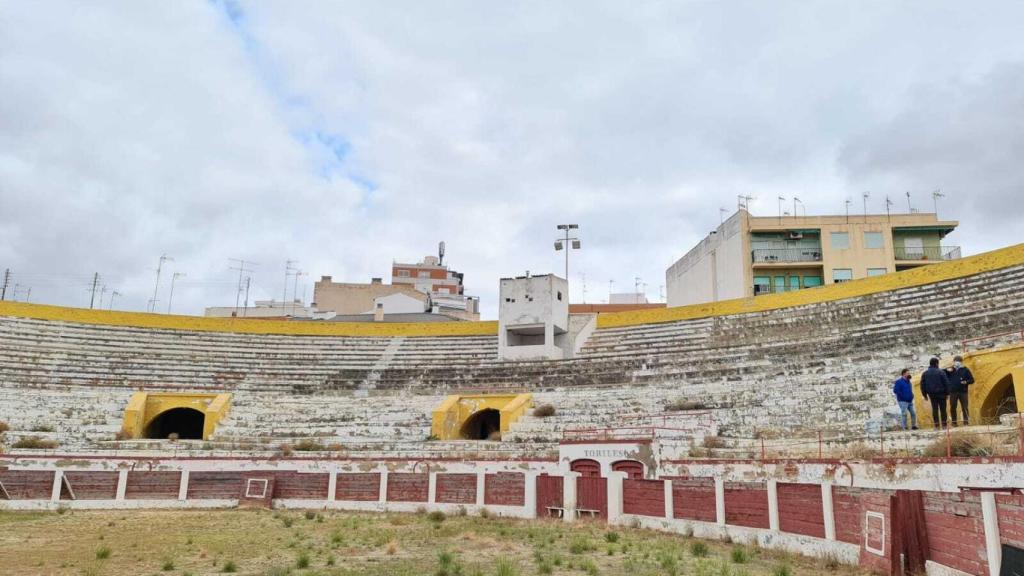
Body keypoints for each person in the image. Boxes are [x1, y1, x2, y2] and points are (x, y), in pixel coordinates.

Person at [920, 357, 950, 429]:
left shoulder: (925, 373)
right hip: (941, 394)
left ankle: (936, 426)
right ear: (937, 363)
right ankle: (944, 425)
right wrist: (948, 393)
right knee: (943, 409)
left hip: (932, 394)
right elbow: (946, 383)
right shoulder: (941, 372)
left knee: (935, 409)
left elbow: (922, 385)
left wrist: (924, 395)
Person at [946, 355, 975, 426]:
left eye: (958, 362)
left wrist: (966, 382)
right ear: (954, 362)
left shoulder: (965, 369)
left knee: (965, 407)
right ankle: (954, 422)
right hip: (953, 392)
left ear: (961, 362)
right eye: (956, 362)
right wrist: (947, 369)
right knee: (953, 407)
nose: (957, 363)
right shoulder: (951, 370)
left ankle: (966, 422)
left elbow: (972, 380)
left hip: (963, 391)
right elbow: (942, 373)